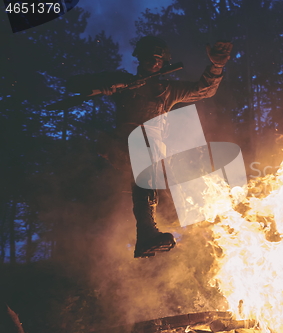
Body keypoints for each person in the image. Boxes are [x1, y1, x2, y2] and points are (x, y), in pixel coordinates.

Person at [67, 36, 233, 258]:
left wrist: (217, 66)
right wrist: (104, 86)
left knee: (165, 195)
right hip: (123, 146)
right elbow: (73, 85)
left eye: (158, 60)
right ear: (139, 59)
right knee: (145, 157)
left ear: (164, 63)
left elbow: (203, 90)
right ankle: (145, 233)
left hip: (153, 153)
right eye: (148, 59)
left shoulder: (167, 90)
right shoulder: (121, 81)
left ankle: (155, 238)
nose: (153, 64)